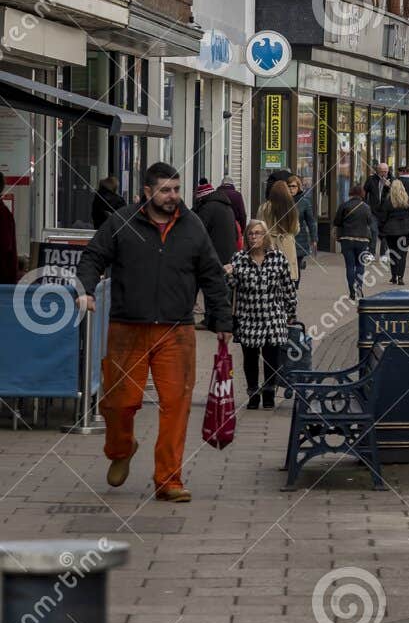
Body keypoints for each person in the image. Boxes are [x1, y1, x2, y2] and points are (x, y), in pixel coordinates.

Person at [74, 162, 233, 503]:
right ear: (147, 192)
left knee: (175, 405)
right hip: (126, 328)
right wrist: (86, 289)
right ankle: (121, 448)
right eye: (165, 190)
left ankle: (169, 479)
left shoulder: (193, 227)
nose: (172, 196)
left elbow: (212, 275)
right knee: (119, 403)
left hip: (176, 331)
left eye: (176, 189)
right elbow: (93, 256)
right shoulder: (121, 222)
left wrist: (222, 321)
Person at [228, 220, 298, 409]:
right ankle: (253, 392)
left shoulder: (278, 258)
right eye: (251, 233)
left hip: (273, 316)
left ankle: (269, 391)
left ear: (265, 236)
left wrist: (291, 311)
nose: (254, 237)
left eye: (258, 233)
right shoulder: (239, 258)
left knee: (271, 357)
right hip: (248, 316)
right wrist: (227, 274)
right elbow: (231, 286)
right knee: (250, 359)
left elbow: (287, 287)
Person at [377, 177, 409, 285]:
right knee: (403, 254)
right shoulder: (408, 201)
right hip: (406, 230)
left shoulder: (388, 201)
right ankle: (400, 277)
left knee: (393, 253)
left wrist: (381, 231)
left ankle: (393, 276)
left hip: (391, 230)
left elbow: (383, 217)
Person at [332, 185, 373, 300]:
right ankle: (359, 286)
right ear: (362, 194)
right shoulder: (366, 207)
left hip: (347, 239)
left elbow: (337, 221)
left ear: (350, 193)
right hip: (362, 239)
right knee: (360, 264)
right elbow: (369, 221)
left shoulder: (344, 206)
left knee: (350, 266)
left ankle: (352, 292)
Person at [257, 179, 301, 284]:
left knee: (269, 274)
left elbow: (259, 226)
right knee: (287, 274)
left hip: (269, 243)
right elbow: (296, 229)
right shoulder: (292, 208)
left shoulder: (264, 207)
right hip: (287, 243)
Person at [193, 179, 242, 268]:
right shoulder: (227, 207)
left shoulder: (207, 208)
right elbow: (236, 233)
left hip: (216, 258)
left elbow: (198, 233)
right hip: (231, 256)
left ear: (201, 198)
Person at [288, 174, 316, 272]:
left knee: (296, 267)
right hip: (285, 238)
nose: (291, 189)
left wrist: (314, 238)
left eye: (293, 186)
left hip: (300, 238)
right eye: (289, 186)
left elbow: (311, 222)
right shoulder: (283, 201)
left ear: (298, 187)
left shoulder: (304, 202)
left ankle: (295, 286)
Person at [363, 162, 390, 257]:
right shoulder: (371, 179)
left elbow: (396, 193)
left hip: (386, 211)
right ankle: (371, 252)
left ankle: (383, 254)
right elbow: (364, 192)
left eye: (385, 172)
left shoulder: (392, 180)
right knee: (374, 231)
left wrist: (389, 186)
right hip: (373, 210)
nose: (384, 174)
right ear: (377, 171)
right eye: (381, 172)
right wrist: (365, 205)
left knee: (384, 233)